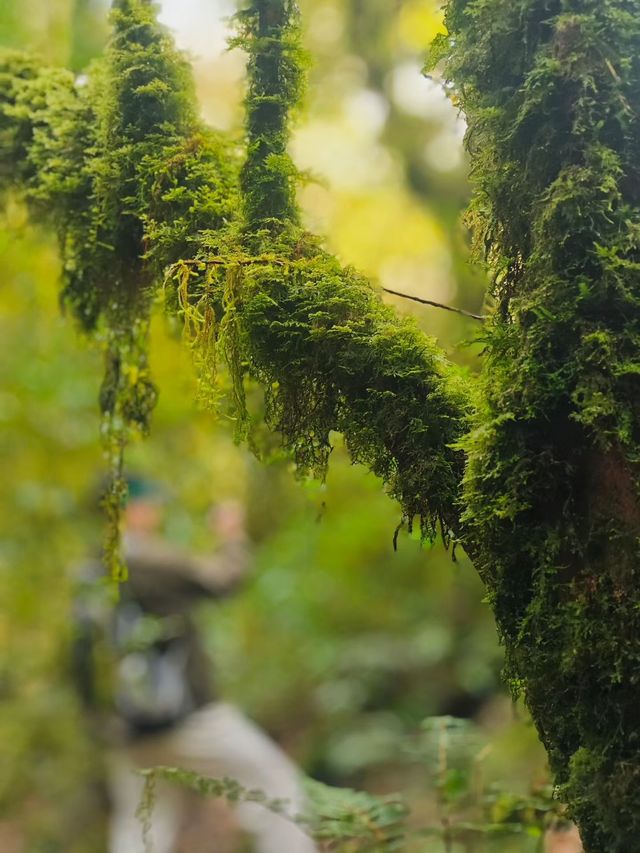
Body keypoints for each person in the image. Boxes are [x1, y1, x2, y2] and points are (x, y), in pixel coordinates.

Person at [74, 477, 316, 853]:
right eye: (149, 503)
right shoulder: (142, 557)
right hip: (186, 719)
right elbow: (222, 580)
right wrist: (231, 534)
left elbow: (81, 659)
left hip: (126, 728)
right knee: (277, 785)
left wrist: (99, 720)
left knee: (142, 828)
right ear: (128, 509)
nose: (155, 511)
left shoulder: (90, 571)